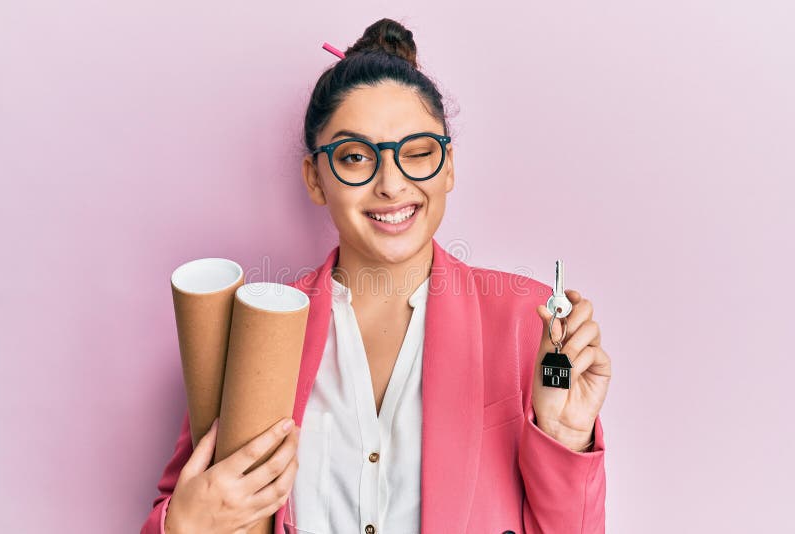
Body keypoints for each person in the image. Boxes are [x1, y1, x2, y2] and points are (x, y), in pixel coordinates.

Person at [141, 17, 612, 534]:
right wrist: (181, 525)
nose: (391, 183)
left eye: (417, 153)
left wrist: (566, 437)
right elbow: (181, 499)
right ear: (315, 179)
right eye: (356, 157)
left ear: (448, 166)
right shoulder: (254, 331)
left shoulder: (532, 322)